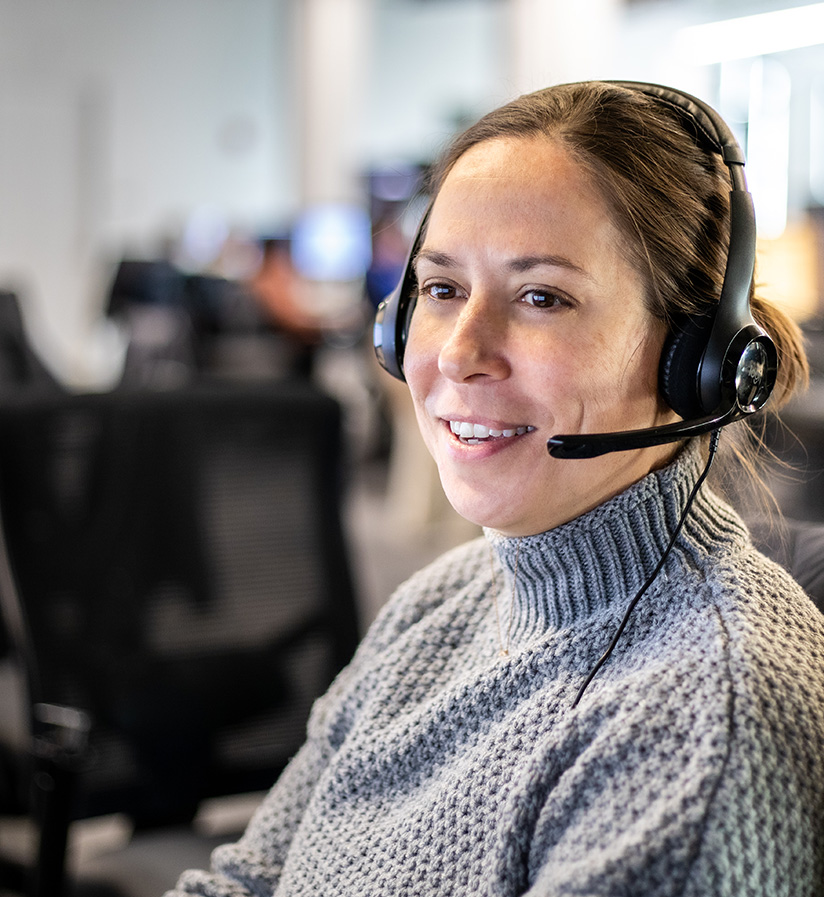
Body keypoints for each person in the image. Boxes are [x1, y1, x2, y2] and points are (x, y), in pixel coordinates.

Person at [167, 81, 824, 896]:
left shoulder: (699, 719)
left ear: (696, 360)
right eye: (442, 289)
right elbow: (249, 879)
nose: (457, 352)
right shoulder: (444, 599)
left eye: (541, 297)